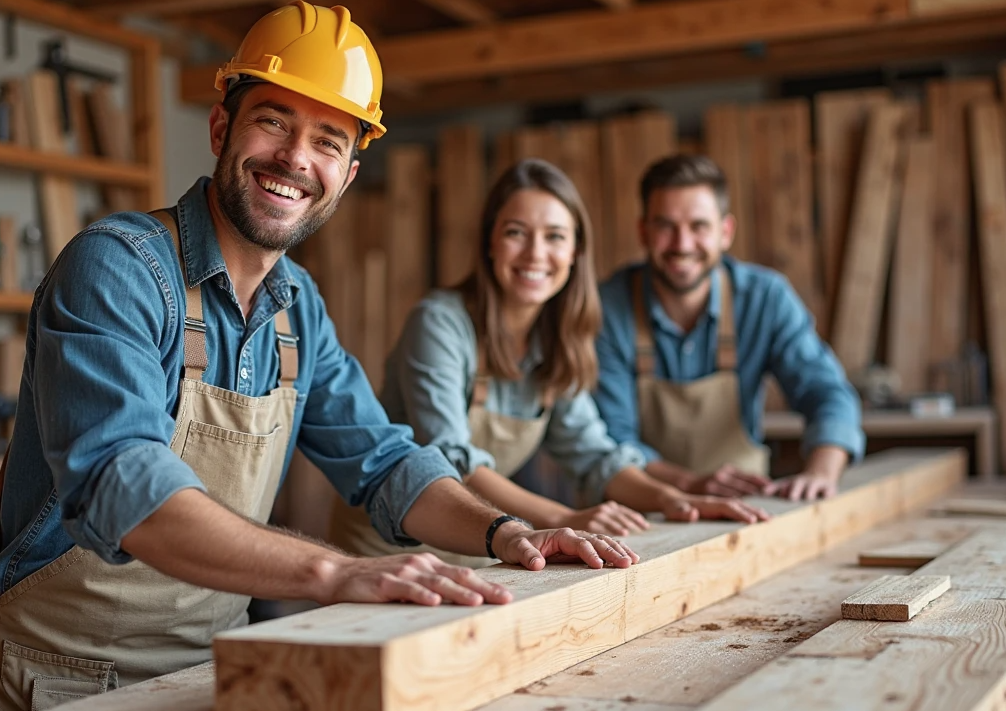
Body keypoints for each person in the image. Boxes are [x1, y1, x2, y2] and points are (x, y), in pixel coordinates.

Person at [0, 5, 636, 704]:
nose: (297, 158)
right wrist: (335, 573)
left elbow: (387, 460)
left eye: (327, 141)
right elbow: (126, 486)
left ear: (348, 174)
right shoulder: (117, 268)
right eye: (273, 120)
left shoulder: (296, 306)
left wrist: (506, 531)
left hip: (218, 665)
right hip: (60, 674)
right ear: (221, 127)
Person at [329, 159, 770, 566]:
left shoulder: (558, 338)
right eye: (517, 232)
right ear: (490, 243)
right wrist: (567, 515)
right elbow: (453, 459)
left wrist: (673, 498)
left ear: (577, 250)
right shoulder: (440, 323)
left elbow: (595, 455)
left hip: (484, 547)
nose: (536, 254)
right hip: (389, 549)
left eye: (555, 236)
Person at [593, 154, 865, 503]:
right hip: (636, 512)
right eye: (665, 226)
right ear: (643, 231)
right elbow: (612, 437)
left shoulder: (765, 298)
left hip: (745, 507)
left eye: (699, 226)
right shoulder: (605, 310)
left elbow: (827, 392)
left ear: (726, 232)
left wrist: (820, 473)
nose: (682, 244)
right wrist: (690, 485)